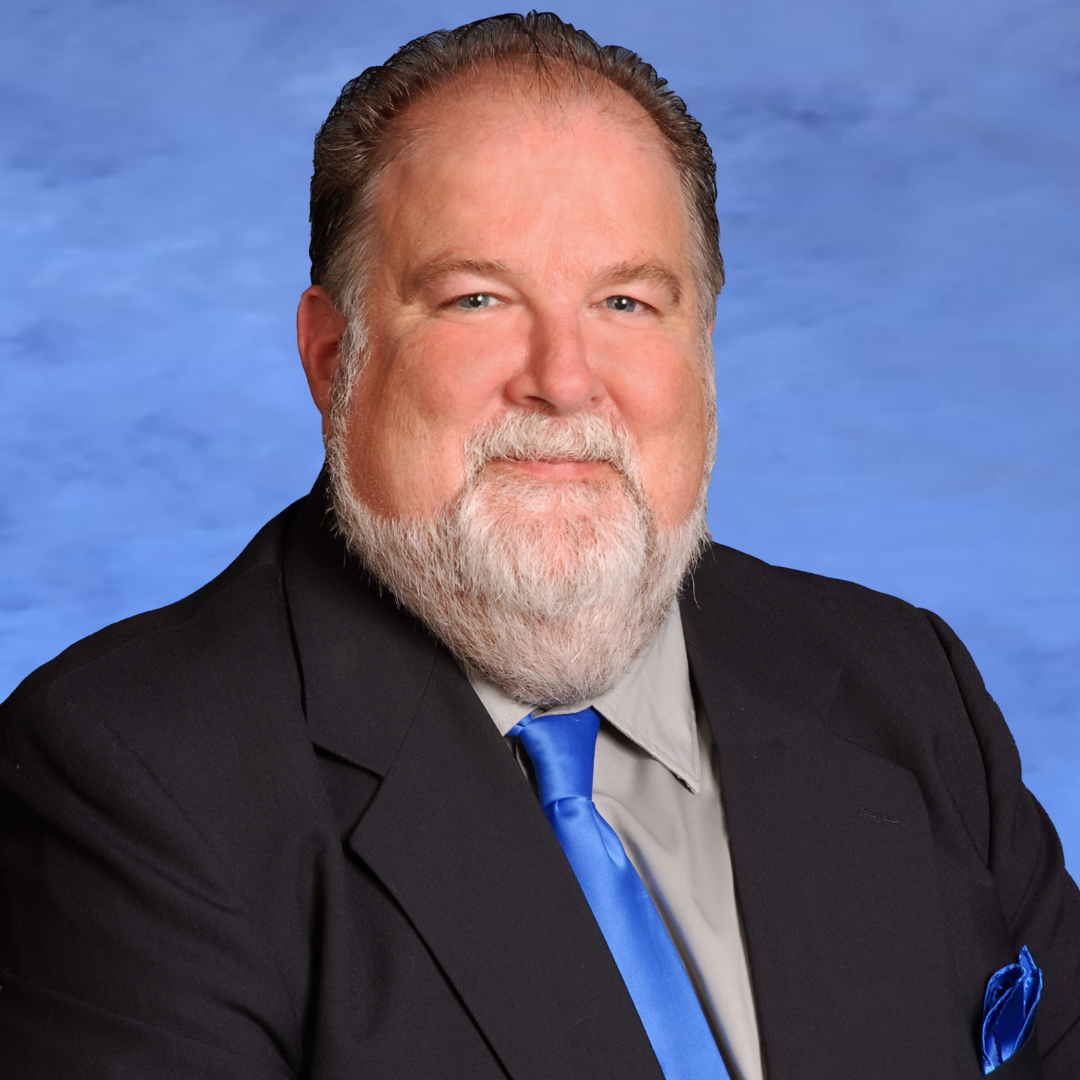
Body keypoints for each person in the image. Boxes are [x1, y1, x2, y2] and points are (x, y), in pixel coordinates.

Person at [1, 12, 1077, 1079]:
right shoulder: (128, 775)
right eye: (476, 299)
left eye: (625, 300)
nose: (563, 378)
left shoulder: (907, 685)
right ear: (334, 358)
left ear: (701, 352)